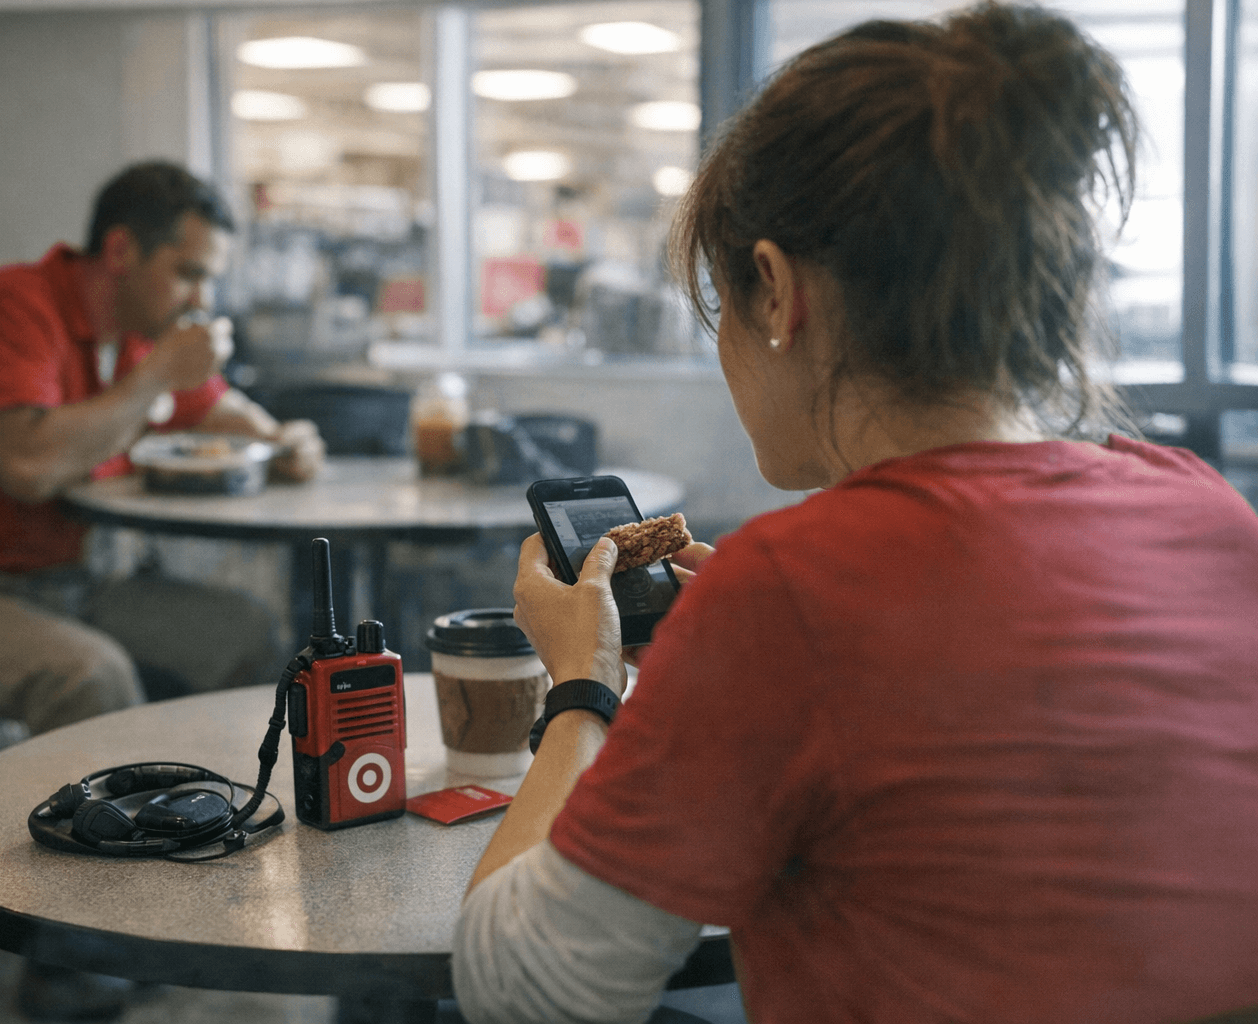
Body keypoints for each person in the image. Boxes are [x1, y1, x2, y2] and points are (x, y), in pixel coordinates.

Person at [452, 4, 1258, 1023]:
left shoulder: (791, 586)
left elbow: (523, 990)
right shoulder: (1209, 513)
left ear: (778, 291)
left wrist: (583, 683)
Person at [0, 160, 325, 737]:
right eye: (187, 274)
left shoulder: (140, 332)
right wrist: (156, 376)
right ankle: (114, 827)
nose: (200, 300)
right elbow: (27, 467)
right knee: (90, 678)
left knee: (245, 635)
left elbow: (216, 410)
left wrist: (279, 440)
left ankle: (222, 812)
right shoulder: (8, 311)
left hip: (62, 584)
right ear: (120, 252)